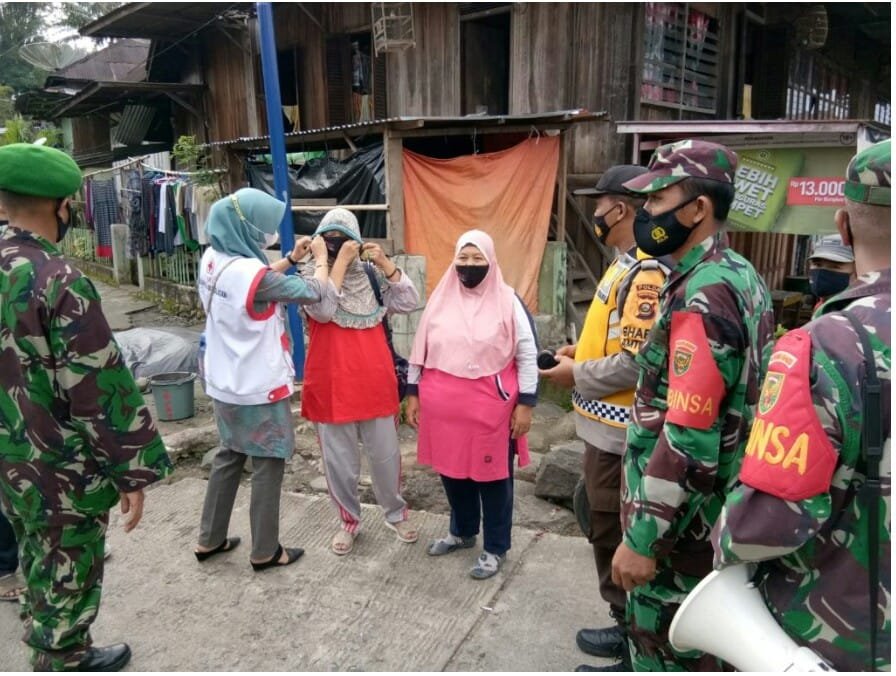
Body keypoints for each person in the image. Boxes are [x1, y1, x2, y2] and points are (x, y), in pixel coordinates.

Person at [712, 139, 891, 671]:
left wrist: (720, 541)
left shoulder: (831, 344)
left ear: (843, 225)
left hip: (844, 636)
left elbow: (767, 520)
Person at [0, 142, 172, 671]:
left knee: (33, 550)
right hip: (58, 467)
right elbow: (100, 389)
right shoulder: (58, 279)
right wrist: (132, 473)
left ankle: (41, 628)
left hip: (9, 461)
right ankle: (62, 657)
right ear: (63, 206)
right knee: (68, 562)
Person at [605, 139, 775, 671]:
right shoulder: (739, 275)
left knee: (666, 655)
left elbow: (688, 434)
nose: (646, 214)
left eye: (656, 201)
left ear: (697, 209)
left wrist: (643, 539)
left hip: (682, 541)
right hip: (712, 519)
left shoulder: (703, 296)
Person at [540, 165, 668, 670]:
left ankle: (633, 640)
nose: (595, 213)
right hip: (602, 429)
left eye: (601, 204)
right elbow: (618, 339)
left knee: (613, 533)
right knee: (596, 519)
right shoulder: (623, 263)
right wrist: (581, 351)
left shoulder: (647, 273)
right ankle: (625, 626)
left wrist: (579, 374)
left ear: (624, 209)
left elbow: (639, 363)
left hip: (621, 434)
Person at [195, 188, 330, 571]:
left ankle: (210, 538)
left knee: (230, 453)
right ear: (246, 228)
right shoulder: (251, 273)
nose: (267, 236)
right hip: (257, 384)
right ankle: (266, 550)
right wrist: (319, 260)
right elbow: (314, 293)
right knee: (268, 460)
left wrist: (289, 259)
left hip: (224, 379)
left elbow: (251, 285)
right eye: (263, 229)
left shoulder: (212, 258)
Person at [405, 230, 538, 580]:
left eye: (477, 259)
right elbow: (421, 348)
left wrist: (525, 403)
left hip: (490, 412)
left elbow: (527, 354)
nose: (469, 266)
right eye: (462, 259)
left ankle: (495, 548)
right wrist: (413, 392)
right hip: (443, 411)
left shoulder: (508, 300)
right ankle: (462, 532)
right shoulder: (440, 297)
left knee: (493, 479)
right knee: (452, 473)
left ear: (491, 261)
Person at [301, 208, 420, 556]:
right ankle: (348, 521)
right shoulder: (310, 274)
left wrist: (385, 264)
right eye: (330, 237)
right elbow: (322, 310)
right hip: (331, 384)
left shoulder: (371, 276)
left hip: (374, 381)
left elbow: (410, 300)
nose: (338, 244)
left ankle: (395, 514)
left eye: (343, 237)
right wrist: (333, 264)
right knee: (340, 463)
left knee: (385, 457)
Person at [807, 233, 856, 309]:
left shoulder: (857, 310)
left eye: (834, 266)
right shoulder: (822, 305)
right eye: (817, 264)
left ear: (856, 269)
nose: (821, 273)